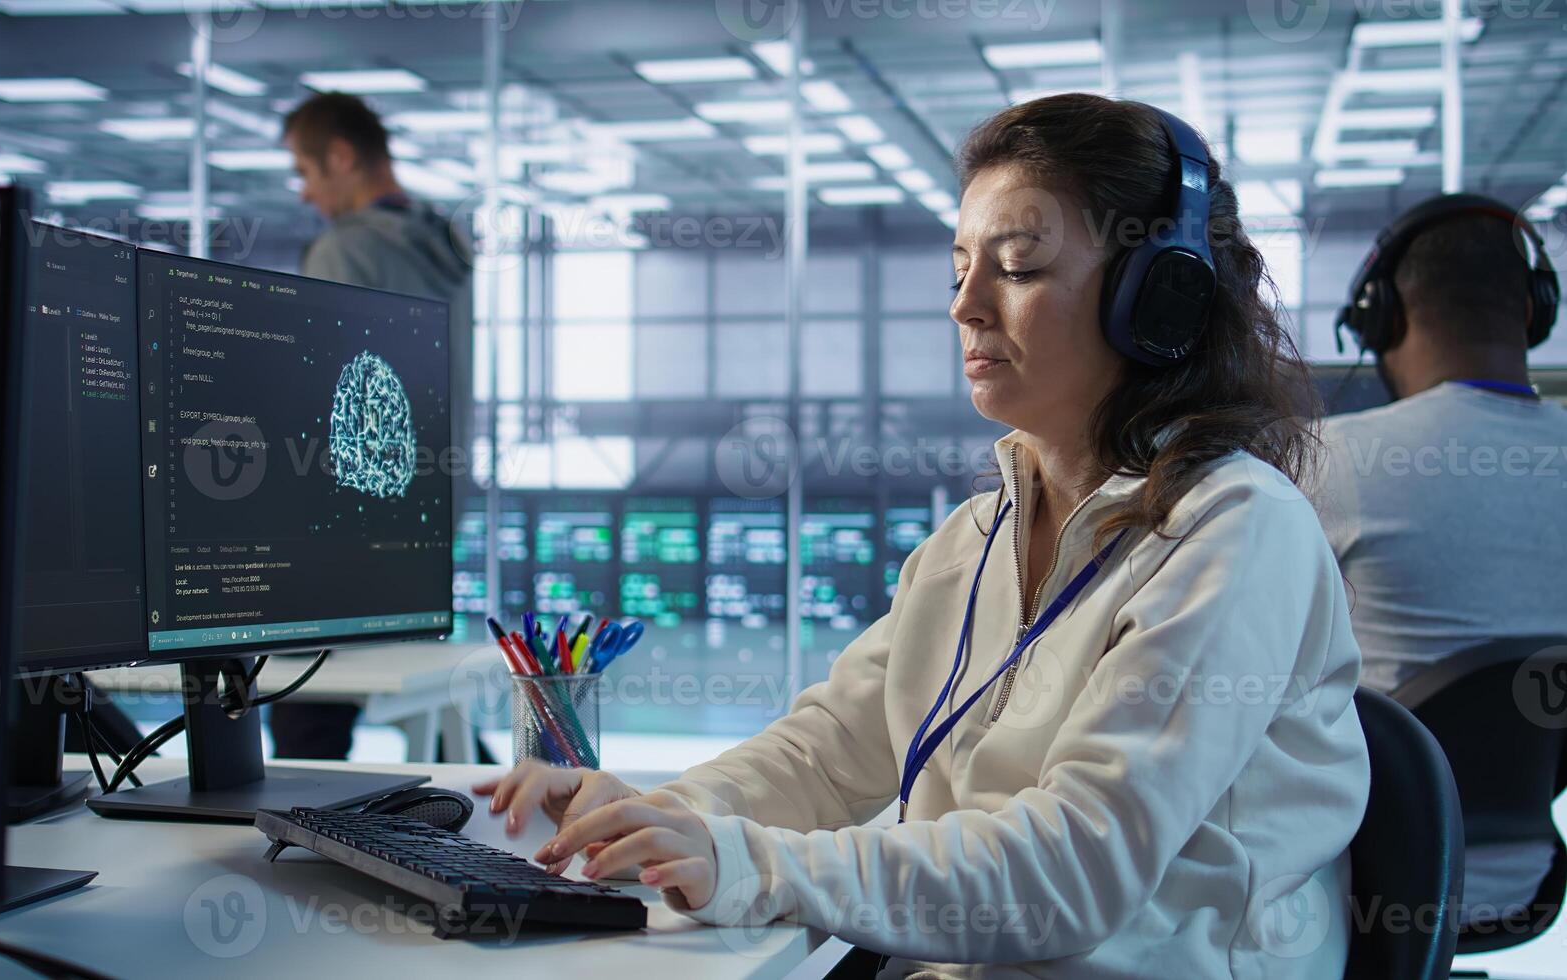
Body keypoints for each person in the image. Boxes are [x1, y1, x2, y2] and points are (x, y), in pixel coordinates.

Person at [476, 95, 1371, 979]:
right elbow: (831, 751)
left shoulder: (1234, 532)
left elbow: (1076, 869)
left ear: (1159, 300)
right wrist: (660, 815)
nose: (965, 308)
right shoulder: (975, 538)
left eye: (1017, 268)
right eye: (959, 271)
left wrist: (748, 861)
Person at [1310, 193, 1566, 923]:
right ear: (1532, 312)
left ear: (1383, 316)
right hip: (1524, 876)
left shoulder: (1333, 460)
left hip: (1341, 887)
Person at [269, 91, 473, 760]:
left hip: (359, 517)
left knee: (298, 699)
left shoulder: (346, 251)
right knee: (428, 709)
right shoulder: (443, 248)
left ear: (341, 156)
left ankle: (296, 815)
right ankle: (491, 800)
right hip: (431, 511)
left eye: (305, 171)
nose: (304, 193)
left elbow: (321, 397)